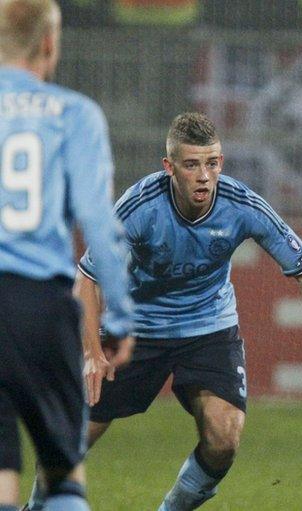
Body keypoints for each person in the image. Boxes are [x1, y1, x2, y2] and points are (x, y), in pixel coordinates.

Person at [24, 112, 302, 511]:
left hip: (208, 328)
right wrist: (93, 353)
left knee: (224, 437)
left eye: (212, 163)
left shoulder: (242, 205)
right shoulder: (139, 208)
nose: (203, 176)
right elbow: (88, 278)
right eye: (192, 164)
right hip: (137, 327)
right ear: (169, 167)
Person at [0, 1, 134, 510]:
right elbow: (99, 223)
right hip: (40, 306)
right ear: (49, 44)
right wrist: (118, 316)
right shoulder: (74, 114)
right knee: (62, 475)